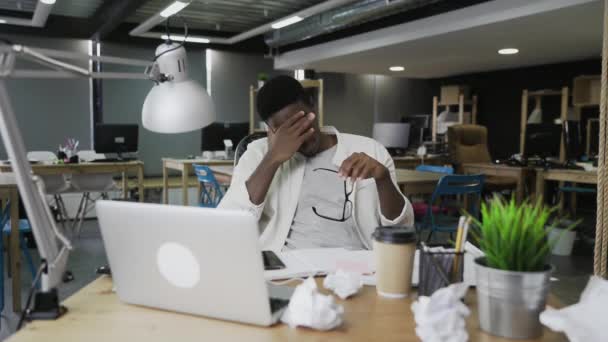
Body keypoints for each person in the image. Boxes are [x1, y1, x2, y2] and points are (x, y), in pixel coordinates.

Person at [219, 75, 413, 251]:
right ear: (271, 130)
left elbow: (402, 229)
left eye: (303, 123)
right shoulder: (258, 154)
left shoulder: (371, 150)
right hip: (286, 270)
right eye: (289, 131)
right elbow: (229, 226)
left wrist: (383, 179)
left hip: (355, 268)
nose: (301, 137)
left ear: (313, 106)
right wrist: (273, 157)